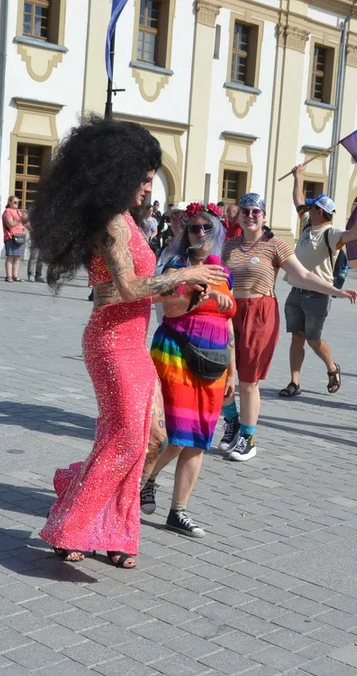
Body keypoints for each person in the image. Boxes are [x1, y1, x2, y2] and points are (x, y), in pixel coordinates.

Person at [31, 117, 226, 569]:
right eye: (141, 179)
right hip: (110, 343)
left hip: (134, 343)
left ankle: (97, 509)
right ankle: (70, 526)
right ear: (116, 175)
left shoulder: (130, 223)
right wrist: (186, 274)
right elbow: (131, 286)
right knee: (124, 441)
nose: (147, 187)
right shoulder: (112, 225)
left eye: (150, 178)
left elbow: (122, 289)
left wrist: (185, 289)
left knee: (150, 439)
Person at [218, 192, 357, 462]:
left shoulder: (276, 245)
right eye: (245, 211)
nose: (249, 216)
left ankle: (248, 438)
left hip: (260, 315)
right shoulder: (229, 246)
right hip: (229, 312)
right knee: (221, 373)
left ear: (264, 217)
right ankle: (232, 422)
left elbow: (304, 274)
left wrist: (336, 291)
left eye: (255, 212)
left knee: (248, 381)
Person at [140, 202, 235, 538]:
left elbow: (229, 326)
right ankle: (144, 480)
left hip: (214, 363)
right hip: (176, 354)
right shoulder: (176, 267)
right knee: (174, 435)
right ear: (185, 233)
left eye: (208, 228)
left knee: (197, 441)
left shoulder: (224, 273)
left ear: (219, 233)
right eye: (194, 227)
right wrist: (194, 294)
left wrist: (233, 372)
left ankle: (176, 511)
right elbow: (168, 309)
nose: (201, 233)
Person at [279, 165, 357, 397]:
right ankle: (294, 383)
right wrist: (298, 177)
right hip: (296, 291)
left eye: (313, 206)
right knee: (297, 337)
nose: (308, 208)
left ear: (321, 211)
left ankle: (332, 368)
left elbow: (351, 236)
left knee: (313, 340)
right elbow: (298, 200)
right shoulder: (308, 222)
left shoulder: (331, 233)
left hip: (318, 295)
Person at [1, 195, 28, 282]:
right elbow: (10, 224)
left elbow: (24, 223)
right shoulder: (7, 212)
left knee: (17, 257)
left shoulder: (18, 212)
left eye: (18, 202)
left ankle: (15, 276)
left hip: (20, 236)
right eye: (14, 202)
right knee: (10, 257)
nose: (16, 204)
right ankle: (8, 276)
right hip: (11, 236)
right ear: (9, 202)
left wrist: (31, 228)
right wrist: (20, 220)